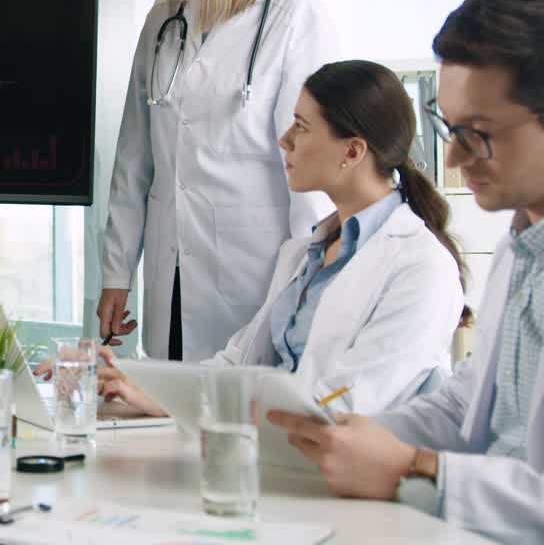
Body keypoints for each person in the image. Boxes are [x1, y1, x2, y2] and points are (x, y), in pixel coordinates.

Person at [268, 0, 544, 544]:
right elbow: (466, 405)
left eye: (481, 132)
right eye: (450, 125)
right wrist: (345, 440)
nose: (455, 154)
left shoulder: (427, 260)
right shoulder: (521, 250)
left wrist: (418, 471)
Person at [59, 61, 466, 417]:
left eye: (301, 128)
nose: (284, 139)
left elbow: (344, 405)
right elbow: (234, 365)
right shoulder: (305, 253)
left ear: (353, 151)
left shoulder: (422, 267)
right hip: (271, 455)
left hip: (339, 480)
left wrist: (195, 406)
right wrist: (139, 381)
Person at [99, 0, 337, 360]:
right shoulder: (165, 16)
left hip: (256, 277)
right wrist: (117, 272)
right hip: (171, 273)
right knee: (169, 416)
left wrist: (310, 291)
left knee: (240, 418)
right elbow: (134, 159)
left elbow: (312, 173)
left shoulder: (292, 14)